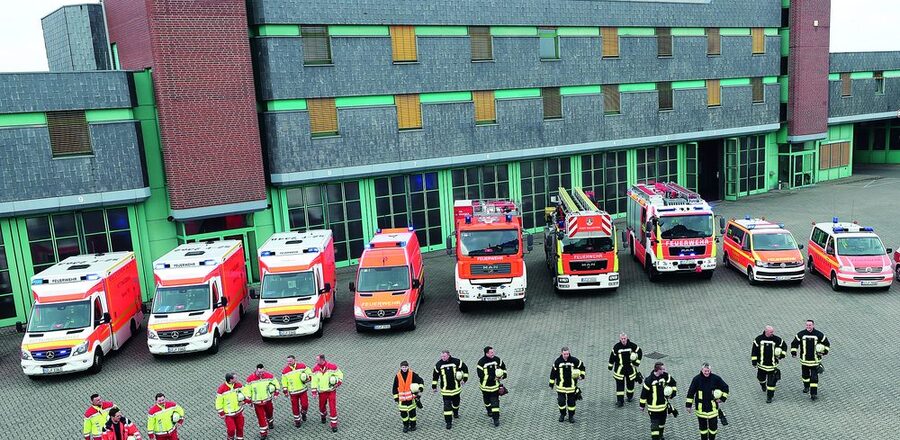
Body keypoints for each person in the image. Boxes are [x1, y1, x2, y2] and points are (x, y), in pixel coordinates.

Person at [686, 363, 729, 440]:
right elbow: (691, 392)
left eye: (708, 371)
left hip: (713, 409)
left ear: (710, 370)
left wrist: (722, 399)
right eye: (705, 371)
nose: (707, 373)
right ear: (702, 370)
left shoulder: (716, 379)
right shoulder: (696, 379)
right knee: (703, 429)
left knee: (713, 429)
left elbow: (725, 387)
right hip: (701, 410)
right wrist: (688, 405)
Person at [790, 319, 831, 400]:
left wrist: (824, 352)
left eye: (810, 325)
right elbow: (794, 343)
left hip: (815, 361)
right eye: (807, 325)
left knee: (814, 378)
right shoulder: (801, 334)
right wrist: (793, 352)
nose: (808, 326)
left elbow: (827, 344)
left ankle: (813, 394)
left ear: (813, 325)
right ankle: (806, 387)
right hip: (804, 361)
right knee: (805, 376)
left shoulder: (819, 335)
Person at [432, 349, 469, 430]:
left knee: (456, 403)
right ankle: (448, 422)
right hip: (445, 391)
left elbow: (465, 368)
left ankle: (455, 412)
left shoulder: (456, 361)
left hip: (456, 389)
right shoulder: (438, 365)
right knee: (447, 407)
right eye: (441, 356)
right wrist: (434, 387)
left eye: (444, 356)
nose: (443, 358)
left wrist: (464, 379)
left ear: (448, 355)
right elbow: (435, 377)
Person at [640, 362, 677, 440]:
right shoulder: (649, 380)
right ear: (658, 370)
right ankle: (655, 437)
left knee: (662, 423)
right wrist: (642, 405)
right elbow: (644, 393)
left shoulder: (665, 376)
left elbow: (673, 383)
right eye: (663, 369)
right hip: (653, 408)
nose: (664, 370)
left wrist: (673, 393)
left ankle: (661, 434)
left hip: (663, 407)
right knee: (654, 425)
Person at [751, 325, 788, 403]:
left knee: (771, 383)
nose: (772, 333)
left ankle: (769, 397)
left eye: (773, 331)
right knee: (760, 378)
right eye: (771, 332)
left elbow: (784, 346)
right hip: (761, 366)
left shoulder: (776, 339)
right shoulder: (758, 339)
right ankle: (763, 386)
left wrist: (782, 355)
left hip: (772, 366)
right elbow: (754, 351)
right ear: (766, 331)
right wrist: (754, 361)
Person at [549, 346, 584, 423]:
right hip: (560, 387)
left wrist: (582, 375)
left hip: (571, 387)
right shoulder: (557, 362)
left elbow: (582, 366)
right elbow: (553, 373)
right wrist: (551, 383)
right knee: (561, 402)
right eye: (565, 354)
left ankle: (571, 416)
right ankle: (562, 414)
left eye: (567, 354)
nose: (566, 355)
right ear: (562, 353)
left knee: (571, 403)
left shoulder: (574, 360)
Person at [608, 332, 643, 407]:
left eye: (624, 338)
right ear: (620, 339)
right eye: (622, 339)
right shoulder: (616, 347)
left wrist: (637, 362)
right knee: (620, 386)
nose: (623, 340)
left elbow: (639, 351)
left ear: (627, 338)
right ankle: (620, 401)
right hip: (620, 370)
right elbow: (612, 357)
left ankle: (630, 396)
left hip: (630, 369)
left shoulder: (632, 345)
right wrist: (610, 366)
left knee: (630, 384)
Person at [311, 354, 344, 433]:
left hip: (331, 391)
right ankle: (323, 415)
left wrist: (338, 382)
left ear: (322, 360)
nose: (316, 361)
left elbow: (340, 375)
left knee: (332, 407)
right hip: (321, 392)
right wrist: (314, 391)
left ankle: (334, 425)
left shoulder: (332, 366)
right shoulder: (315, 369)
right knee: (322, 407)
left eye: (317, 360)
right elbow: (314, 381)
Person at [476, 346, 508, 427]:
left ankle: (496, 419)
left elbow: (503, 368)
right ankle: (489, 410)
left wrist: (503, 375)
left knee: (495, 402)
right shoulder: (481, 362)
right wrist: (493, 378)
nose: (493, 353)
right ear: (486, 353)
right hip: (485, 387)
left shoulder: (497, 359)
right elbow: (481, 375)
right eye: (491, 352)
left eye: (493, 352)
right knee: (487, 401)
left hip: (495, 387)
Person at [247, 364, 280, 439]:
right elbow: (247, 391)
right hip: (257, 402)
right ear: (256, 370)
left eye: (262, 372)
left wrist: (276, 393)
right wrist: (249, 401)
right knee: (261, 418)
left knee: (269, 412)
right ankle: (263, 433)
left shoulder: (269, 376)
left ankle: (270, 422)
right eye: (259, 372)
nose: (261, 374)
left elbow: (276, 384)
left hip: (268, 400)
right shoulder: (250, 379)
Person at [392, 360, 425, 433]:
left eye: (405, 367)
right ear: (400, 367)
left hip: (411, 398)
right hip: (402, 400)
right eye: (403, 367)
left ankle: (413, 426)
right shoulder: (398, 376)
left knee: (412, 414)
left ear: (408, 367)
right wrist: (396, 397)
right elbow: (394, 387)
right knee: (404, 415)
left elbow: (421, 381)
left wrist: (420, 388)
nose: (404, 368)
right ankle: (405, 426)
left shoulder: (412, 374)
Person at [281, 355, 313, 428]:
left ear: (294, 360)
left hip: (303, 390)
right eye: (288, 361)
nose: (289, 362)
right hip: (293, 392)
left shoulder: (302, 366)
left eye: (290, 361)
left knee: (305, 405)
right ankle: (297, 421)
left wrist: (309, 378)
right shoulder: (285, 370)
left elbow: (309, 372)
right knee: (295, 407)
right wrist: (285, 390)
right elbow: (284, 381)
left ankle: (303, 413)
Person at [215, 373, 246, 440]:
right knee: (231, 429)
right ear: (231, 380)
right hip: (229, 414)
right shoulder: (222, 389)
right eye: (235, 378)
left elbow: (245, 393)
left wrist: (244, 401)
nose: (237, 379)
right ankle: (230, 438)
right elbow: (218, 402)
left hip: (239, 411)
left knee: (240, 428)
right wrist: (221, 413)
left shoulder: (238, 385)